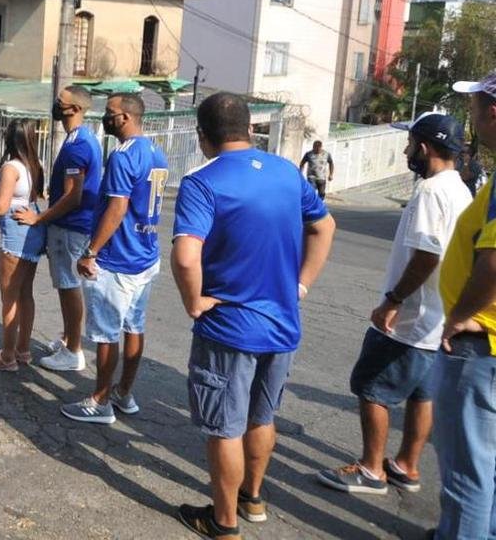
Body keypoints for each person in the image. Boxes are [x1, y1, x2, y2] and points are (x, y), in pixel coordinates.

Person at [171, 92, 335, 537]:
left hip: (229, 327)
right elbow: (324, 226)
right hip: (281, 322)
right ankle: (253, 498)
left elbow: (187, 257)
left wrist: (193, 301)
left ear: (203, 136)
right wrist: (300, 284)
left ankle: (223, 523)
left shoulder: (203, 181)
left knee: (225, 426)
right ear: (250, 128)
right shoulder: (286, 172)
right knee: (262, 417)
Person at [317, 112, 471, 496]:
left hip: (411, 316)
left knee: (370, 385)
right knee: (422, 393)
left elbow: (427, 255)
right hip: (438, 316)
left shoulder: (432, 192)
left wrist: (393, 301)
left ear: (424, 147)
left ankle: (372, 470)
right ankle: (406, 465)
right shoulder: (461, 190)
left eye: (409, 145)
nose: (406, 151)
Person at [64, 93, 169, 424]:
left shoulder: (123, 156)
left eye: (109, 113)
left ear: (125, 117)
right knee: (134, 326)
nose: (104, 118)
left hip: (118, 258)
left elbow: (117, 207)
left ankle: (100, 400)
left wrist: (91, 251)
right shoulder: (156, 151)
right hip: (146, 253)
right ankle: (124, 392)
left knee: (107, 332)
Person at [432, 71, 496, 539]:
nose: (470, 119)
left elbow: (493, 262)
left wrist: (458, 318)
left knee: (466, 473)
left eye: (473, 109)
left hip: (479, 347)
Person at [13, 85, 101, 372]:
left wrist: (40, 218)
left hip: (70, 227)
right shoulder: (81, 138)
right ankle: (68, 338)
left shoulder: (78, 145)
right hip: (72, 226)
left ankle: (73, 351)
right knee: (67, 285)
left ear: (75, 108)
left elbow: (73, 196)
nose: (56, 103)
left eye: (61, 101)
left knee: (68, 286)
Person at [0, 119, 46, 371]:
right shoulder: (34, 165)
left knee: (9, 298)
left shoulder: (11, 167)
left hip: (14, 233)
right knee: (26, 294)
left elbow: (1, 208)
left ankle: (6, 356)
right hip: (34, 231)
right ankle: (23, 350)